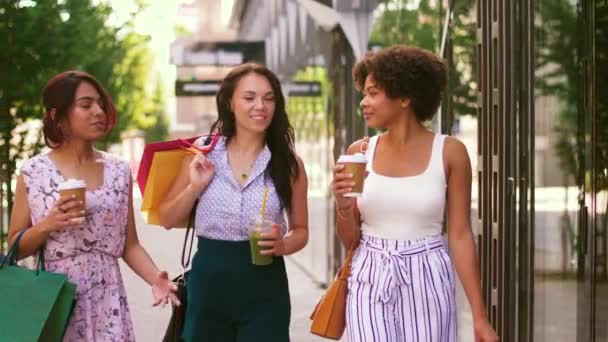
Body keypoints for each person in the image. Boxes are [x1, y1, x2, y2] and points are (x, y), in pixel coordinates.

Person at [332, 45, 499, 342]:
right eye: (364, 93)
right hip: (370, 272)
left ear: (406, 97)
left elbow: (460, 235)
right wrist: (344, 206)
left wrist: (479, 317)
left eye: (373, 93)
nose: (363, 102)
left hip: (428, 273)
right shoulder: (359, 153)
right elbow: (350, 240)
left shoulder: (450, 152)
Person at [8, 71, 179, 342]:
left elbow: (129, 245)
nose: (99, 111)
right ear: (57, 114)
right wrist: (47, 225)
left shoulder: (119, 170)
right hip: (56, 301)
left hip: (108, 299)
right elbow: (14, 247)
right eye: (86, 105)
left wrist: (154, 278)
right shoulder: (33, 173)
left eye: (100, 103)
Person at [159, 63, 309, 342]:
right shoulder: (202, 153)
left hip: (265, 284)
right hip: (210, 286)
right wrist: (194, 187)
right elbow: (167, 219)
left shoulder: (289, 164)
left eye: (269, 98)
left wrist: (284, 244)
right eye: (249, 97)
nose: (260, 106)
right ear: (230, 102)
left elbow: (301, 230)